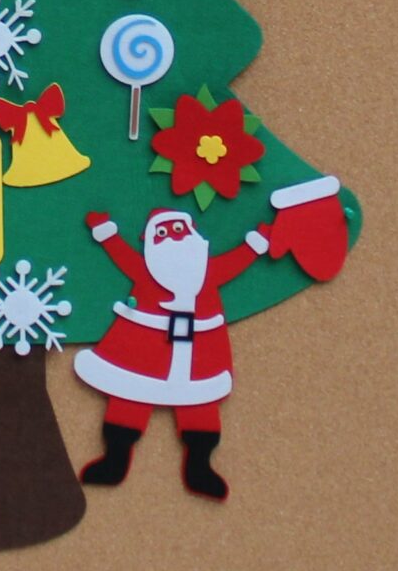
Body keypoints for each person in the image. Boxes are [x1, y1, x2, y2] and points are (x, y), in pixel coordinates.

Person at [72, 204, 266, 500]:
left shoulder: (207, 272)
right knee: (129, 397)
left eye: (179, 230)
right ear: (150, 241)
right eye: (163, 233)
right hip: (142, 352)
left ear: (193, 234)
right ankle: (114, 460)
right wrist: (107, 235)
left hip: (200, 354)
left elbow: (235, 262)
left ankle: (200, 467)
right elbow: (124, 258)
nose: (174, 238)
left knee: (200, 405)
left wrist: (254, 246)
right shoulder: (147, 271)